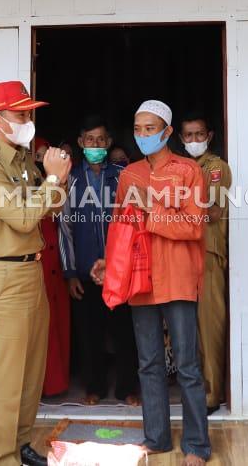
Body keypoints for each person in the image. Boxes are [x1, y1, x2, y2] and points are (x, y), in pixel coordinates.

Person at [0, 81, 71, 466]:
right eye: (21, 114)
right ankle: (3, 456)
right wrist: (53, 179)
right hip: (2, 276)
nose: (28, 120)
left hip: (30, 271)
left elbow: (52, 210)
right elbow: (26, 219)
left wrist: (59, 176)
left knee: (30, 372)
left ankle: (21, 443)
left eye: (29, 113)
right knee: (7, 376)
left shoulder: (22, 158)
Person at [117, 100, 210, 466]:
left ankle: (197, 446)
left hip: (179, 278)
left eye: (150, 128)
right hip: (141, 279)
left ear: (167, 132)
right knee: (149, 363)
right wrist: (110, 264)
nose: (143, 135)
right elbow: (122, 228)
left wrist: (150, 212)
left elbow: (192, 225)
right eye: (138, 129)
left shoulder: (188, 171)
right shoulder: (130, 175)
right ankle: (156, 437)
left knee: (187, 366)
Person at [59, 115, 139, 406]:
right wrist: (70, 273)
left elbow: (133, 224)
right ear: (81, 143)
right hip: (83, 272)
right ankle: (94, 386)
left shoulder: (122, 176)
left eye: (101, 140)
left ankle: (127, 388)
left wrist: (124, 264)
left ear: (108, 143)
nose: (95, 144)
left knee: (125, 333)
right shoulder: (70, 178)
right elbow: (64, 227)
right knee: (89, 334)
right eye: (89, 140)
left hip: (119, 272)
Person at [178, 111, 232, 413]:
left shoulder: (215, 168)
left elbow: (210, 211)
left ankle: (211, 394)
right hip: (181, 252)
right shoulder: (181, 166)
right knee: (187, 328)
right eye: (189, 135)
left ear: (209, 136)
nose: (194, 140)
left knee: (209, 326)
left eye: (200, 135)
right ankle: (195, 389)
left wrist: (170, 205)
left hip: (208, 253)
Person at [32, 137, 71, 397]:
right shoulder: (27, 184)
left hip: (57, 261)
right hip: (37, 263)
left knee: (60, 323)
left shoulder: (55, 185)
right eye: (40, 155)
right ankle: (44, 387)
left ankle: (59, 383)